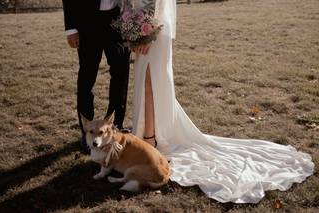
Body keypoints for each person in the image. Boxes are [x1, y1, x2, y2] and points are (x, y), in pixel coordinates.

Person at [131, 0, 314, 203]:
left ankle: (150, 139)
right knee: (145, 82)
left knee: (151, 82)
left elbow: (160, 4)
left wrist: (147, 33)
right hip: (141, 26)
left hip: (154, 29)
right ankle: (149, 135)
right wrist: (131, 28)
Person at [62, 0, 131, 153]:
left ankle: (115, 127)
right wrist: (71, 29)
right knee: (87, 76)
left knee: (121, 74)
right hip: (87, 21)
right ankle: (87, 132)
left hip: (117, 20)